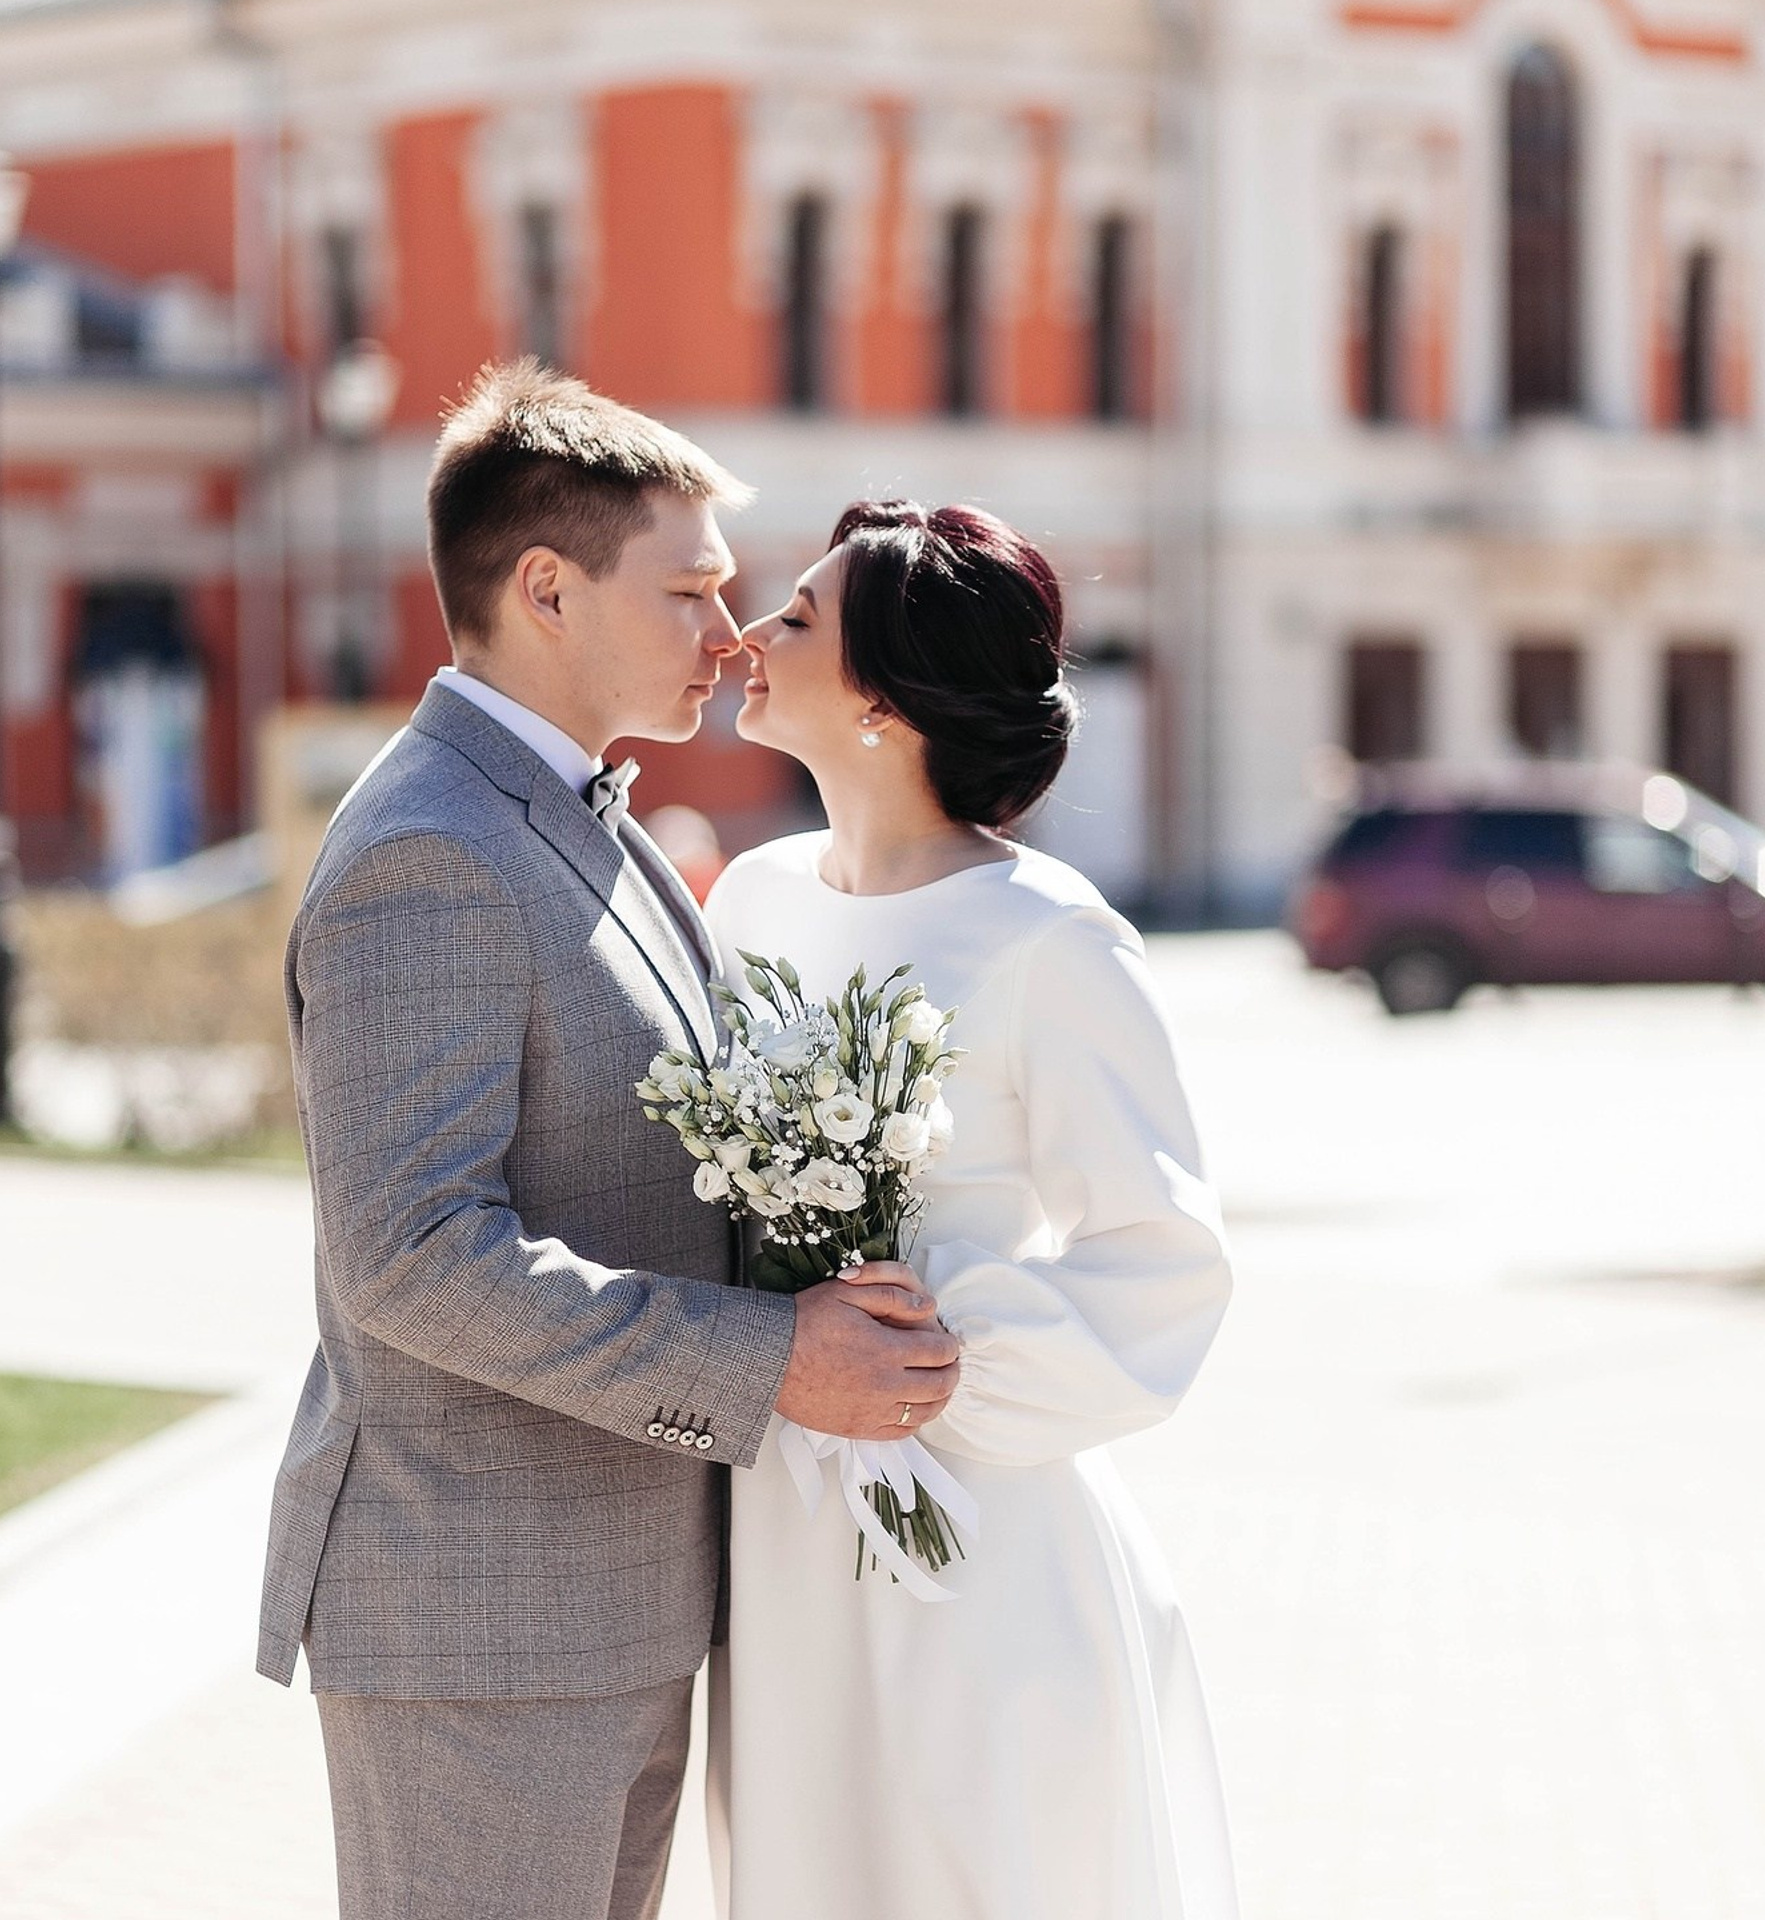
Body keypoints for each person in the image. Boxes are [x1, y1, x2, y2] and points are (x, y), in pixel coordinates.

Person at [255, 364, 960, 1920]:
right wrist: (774, 1361)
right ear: (547, 590)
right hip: (479, 1633)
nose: (732, 631)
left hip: (620, 1610)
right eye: (690, 590)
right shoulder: (429, 850)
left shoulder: (593, 821)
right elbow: (412, 1257)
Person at [704, 500, 1238, 1920]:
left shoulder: (1052, 939)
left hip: (980, 1540)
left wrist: (938, 1358)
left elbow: (1168, 1263)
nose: (748, 634)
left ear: (881, 702)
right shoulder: (749, 902)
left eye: (797, 618)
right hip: (781, 1537)